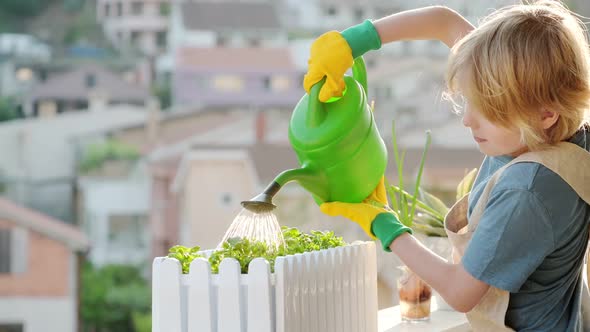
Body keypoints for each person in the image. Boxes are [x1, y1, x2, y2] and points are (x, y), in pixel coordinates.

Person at [305, 1, 590, 331]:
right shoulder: (558, 124)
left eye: (489, 110)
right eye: (470, 98)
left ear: (545, 113)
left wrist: (384, 223)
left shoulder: (526, 190)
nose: (468, 119)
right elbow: (443, 21)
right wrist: (355, 41)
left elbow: (459, 292)